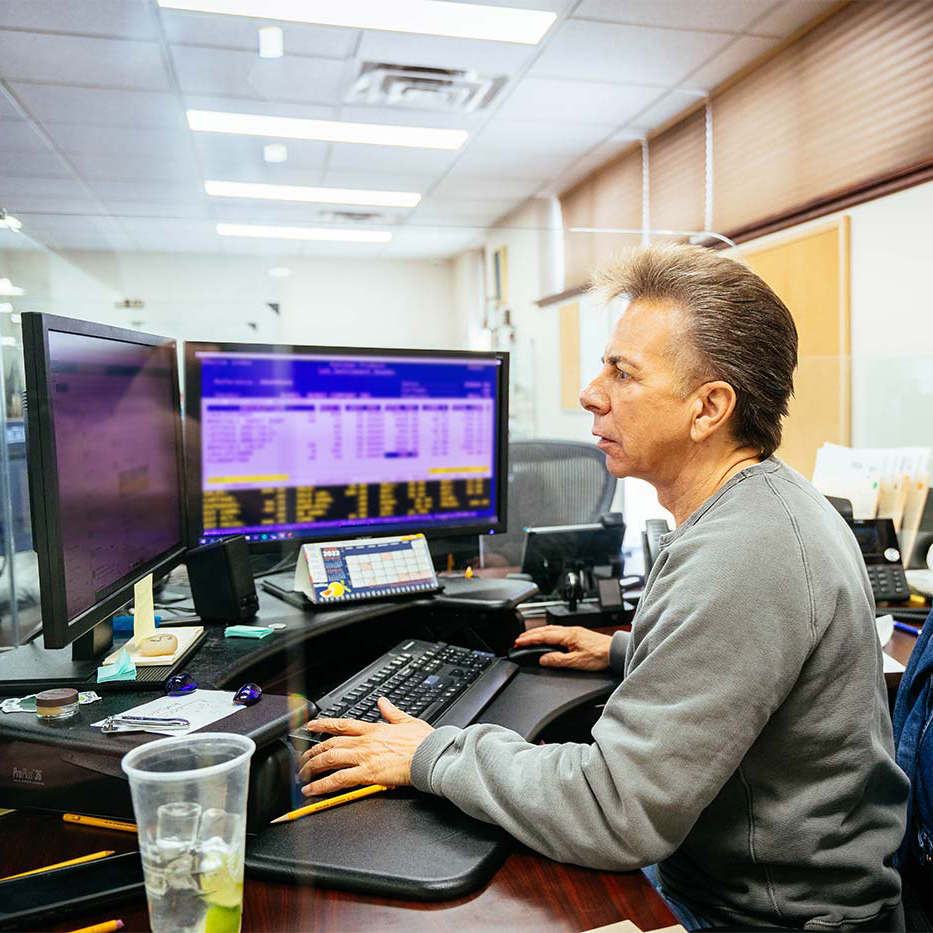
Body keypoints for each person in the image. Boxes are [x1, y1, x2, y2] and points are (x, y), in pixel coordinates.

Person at [298, 244, 908, 931]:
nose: (591, 392)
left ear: (708, 407)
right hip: (750, 885)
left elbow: (616, 810)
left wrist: (429, 753)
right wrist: (627, 650)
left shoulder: (742, 552)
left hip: (760, 916)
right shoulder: (772, 502)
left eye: (622, 371)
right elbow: (749, 664)